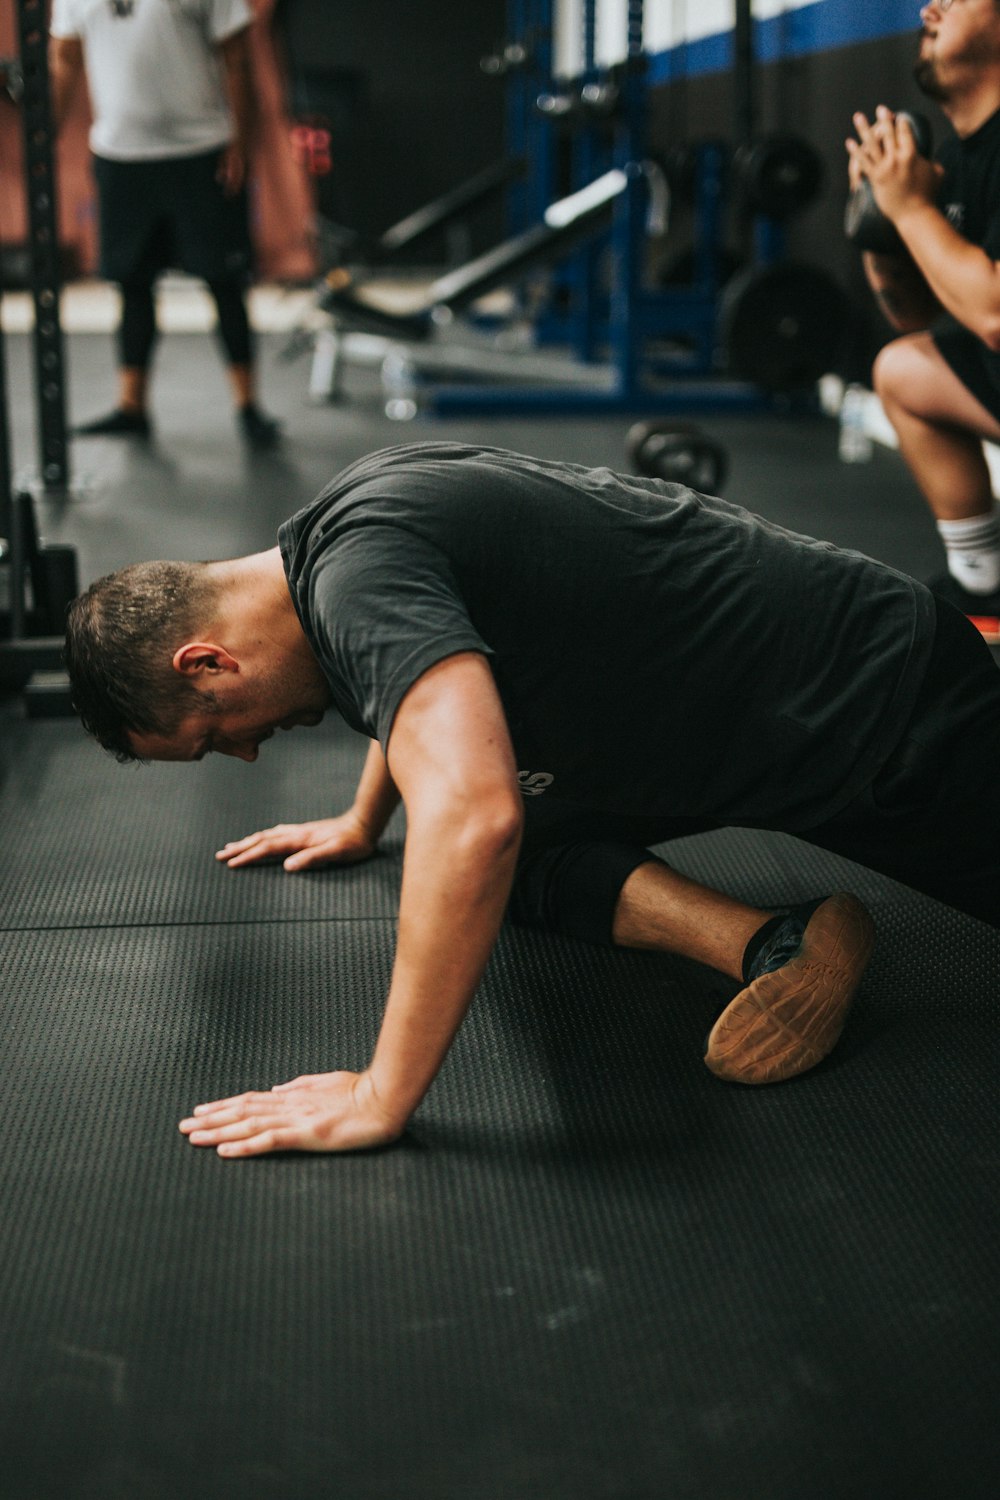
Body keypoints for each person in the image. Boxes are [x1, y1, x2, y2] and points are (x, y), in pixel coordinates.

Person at [65, 443, 1000, 1158]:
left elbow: (476, 820)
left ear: (208, 660)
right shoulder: (325, 546)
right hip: (758, 705)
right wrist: (364, 823)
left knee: (473, 851)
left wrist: (379, 1097)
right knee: (499, 873)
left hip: (880, 709)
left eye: (214, 734)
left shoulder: (358, 583)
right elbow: (410, 697)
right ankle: (779, 946)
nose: (243, 751)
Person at [48, 0, 281, 450]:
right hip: (121, 157)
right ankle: (131, 407)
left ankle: (249, 407)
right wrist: (41, 141)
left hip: (201, 151)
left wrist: (241, 143)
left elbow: (237, 58)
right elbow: (65, 62)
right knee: (132, 283)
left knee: (224, 280)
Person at [846, 0, 1000, 643]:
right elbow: (924, 319)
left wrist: (910, 211)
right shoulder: (962, 162)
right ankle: (984, 583)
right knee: (906, 369)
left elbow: (993, 315)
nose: (928, 7)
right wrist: (881, 232)